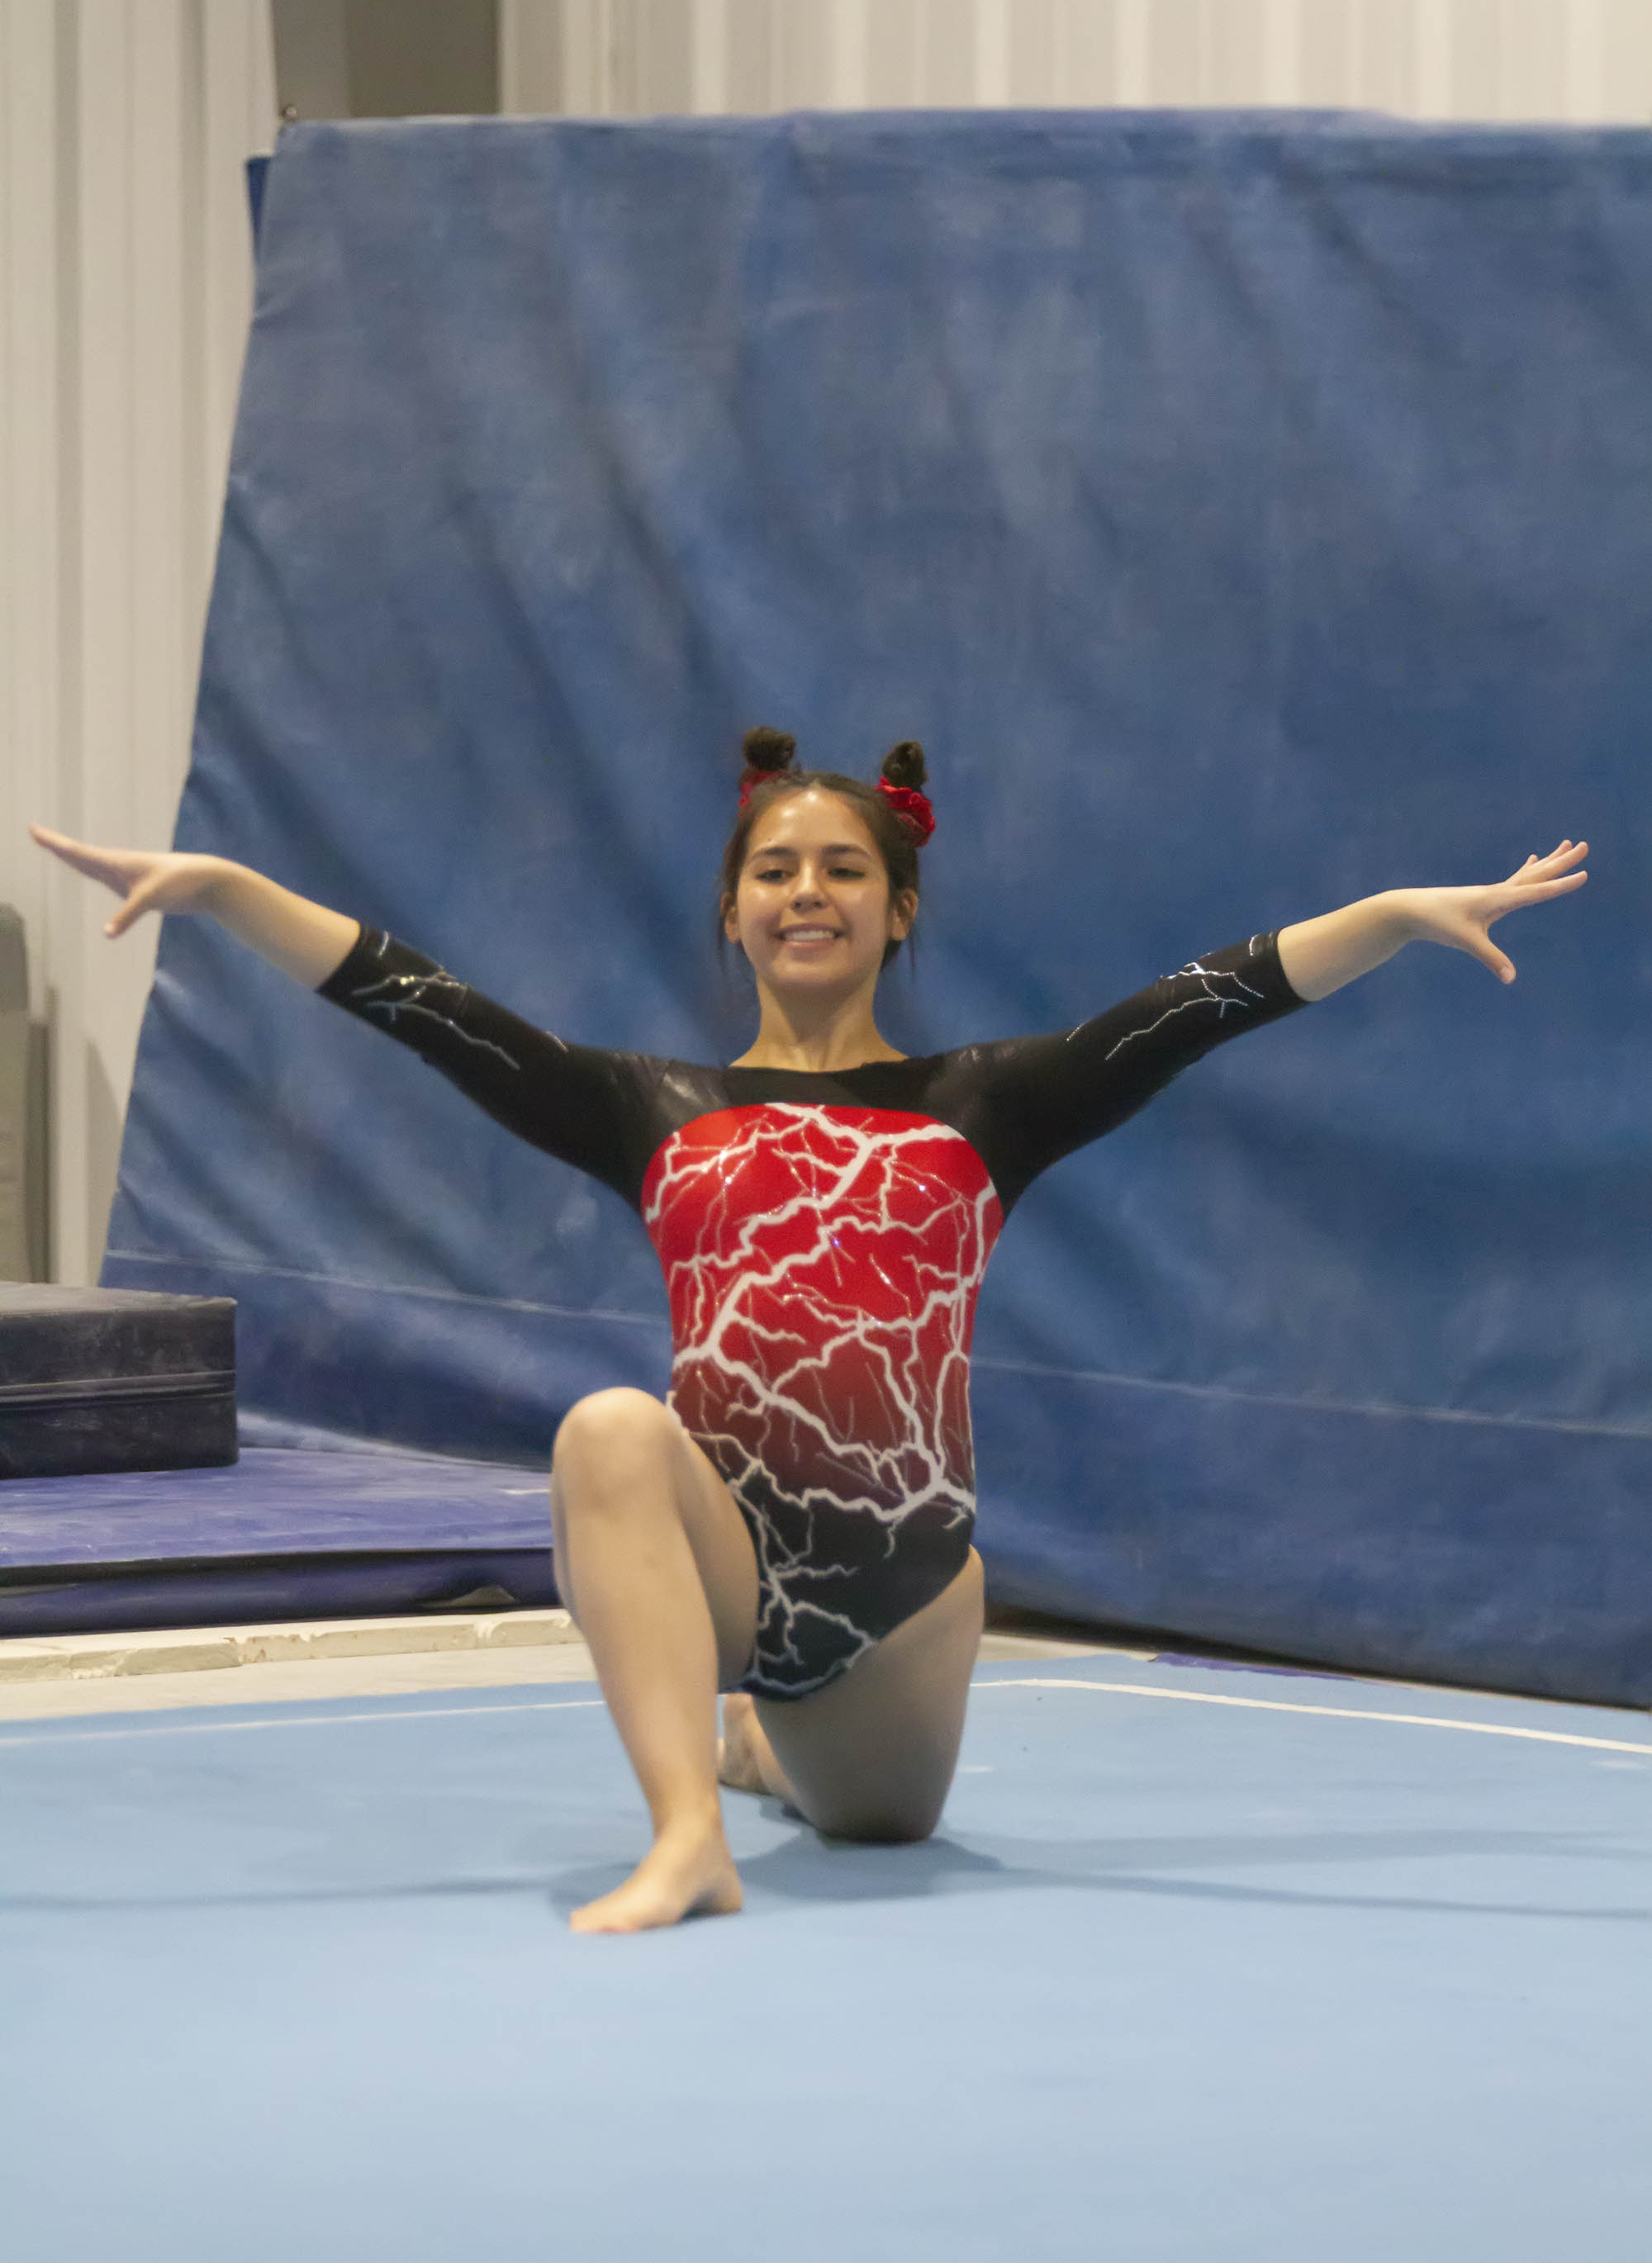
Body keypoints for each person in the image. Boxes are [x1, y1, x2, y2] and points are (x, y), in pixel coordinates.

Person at [31, 733, 1587, 1934]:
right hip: (720, 1549)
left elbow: (1205, 1001)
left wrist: (1393, 916)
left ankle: (761, 1746)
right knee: (605, 1432)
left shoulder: (988, 1101)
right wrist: (229, 893)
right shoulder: (649, 1106)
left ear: (897, 911)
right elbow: (420, 1000)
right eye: (775, 870)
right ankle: (687, 1838)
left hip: (900, 1596)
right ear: (733, 910)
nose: (807, 893)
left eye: (844, 869)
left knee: (878, 1827)